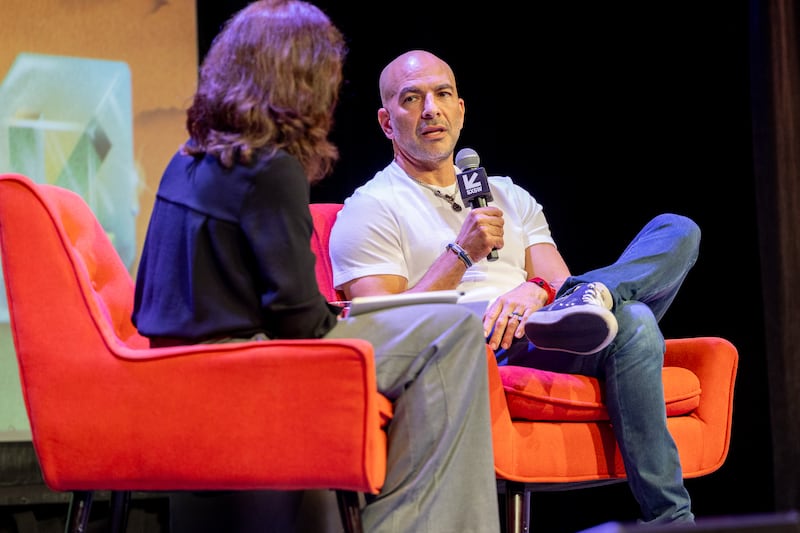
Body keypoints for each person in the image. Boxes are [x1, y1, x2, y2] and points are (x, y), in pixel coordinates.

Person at [131, 6, 500, 533]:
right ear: (301, 80)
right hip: (249, 365)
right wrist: (336, 318)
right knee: (454, 331)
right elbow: (301, 324)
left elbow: (162, 296)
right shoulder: (269, 166)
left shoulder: (189, 157)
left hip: (184, 365)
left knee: (433, 337)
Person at [329, 49, 701, 526]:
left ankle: (607, 292)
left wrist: (539, 291)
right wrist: (460, 254)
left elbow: (566, 289)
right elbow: (382, 328)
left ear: (460, 110)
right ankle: (672, 521)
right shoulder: (371, 206)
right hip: (476, 349)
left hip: (546, 329)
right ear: (386, 121)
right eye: (411, 98)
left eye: (442, 95)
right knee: (636, 320)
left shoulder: (508, 193)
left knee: (677, 229)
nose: (430, 109)